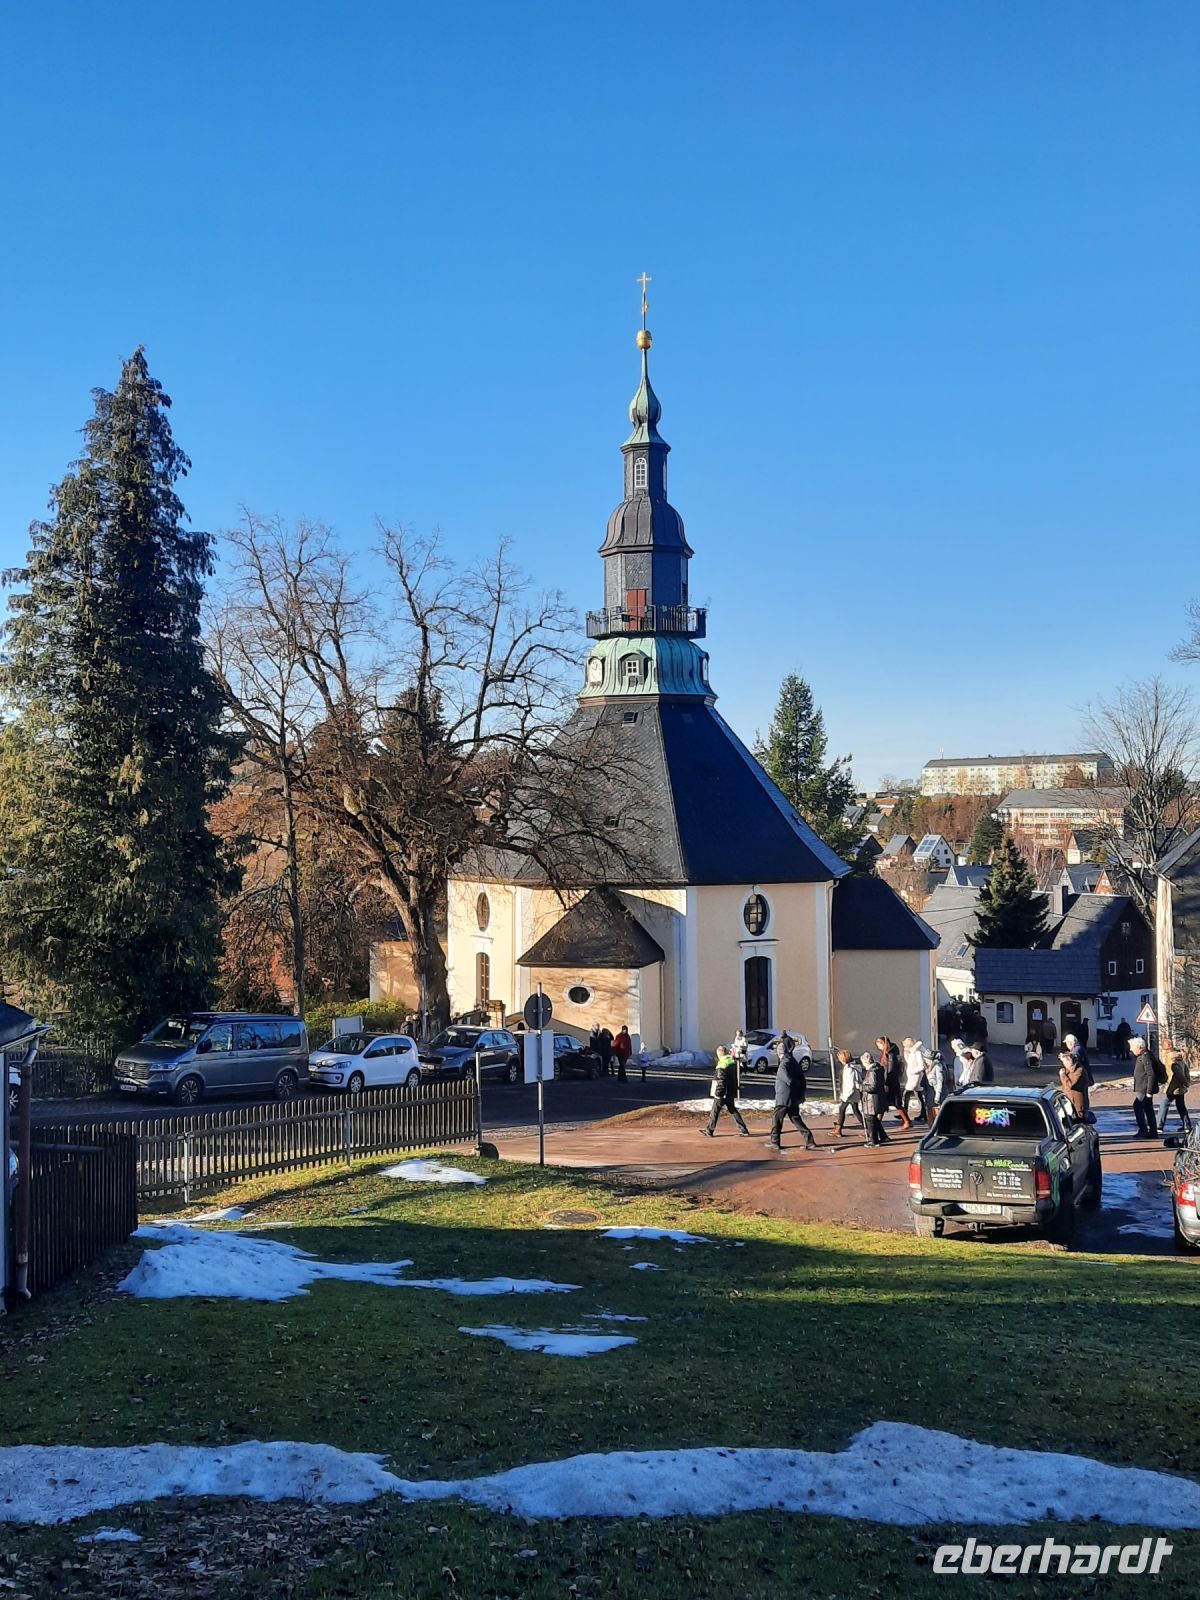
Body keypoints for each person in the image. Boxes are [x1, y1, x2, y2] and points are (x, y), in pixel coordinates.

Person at [770, 1044, 817, 1151]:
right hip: (793, 1097)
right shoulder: (793, 1061)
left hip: (783, 1098)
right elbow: (801, 1079)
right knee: (795, 1118)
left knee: (777, 1120)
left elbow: (789, 1080)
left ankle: (775, 1141)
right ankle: (810, 1141)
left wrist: (793, 1086)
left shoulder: (783, 1064)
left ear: (780, 1053)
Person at [703, 1043, 751, 1138]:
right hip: (731, 1091)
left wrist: (718, 1093)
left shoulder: (721, 1064)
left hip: (723, 1093)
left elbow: (721, 1081)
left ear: (719, 1054)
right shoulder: (732, 1062)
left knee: (715, 1111)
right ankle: (744, 1129)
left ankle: (709, 1130)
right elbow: (735, 1077)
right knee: (732, 1109)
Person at [1129, 1037, 1161, 1140]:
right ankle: (1152, 1131)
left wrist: (1149, 1091)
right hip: (1143, 1087)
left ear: (1139, 1047)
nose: (1131, 1050)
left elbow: (1151, 1074)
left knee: (1138, 1106)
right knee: (1148, 1108)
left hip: (1144, 1088)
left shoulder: (1145, 1056)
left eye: (1132, 1047)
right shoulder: (1144, 1055)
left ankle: (1143, 1130)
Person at [876, 1035, 909, 1130]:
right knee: (889, 1103)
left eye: (879, 1045)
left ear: (883, 1044)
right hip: (890, 1082)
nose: (878, 1047)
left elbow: (890, 1070)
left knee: (894, 1103)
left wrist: (884, 1081)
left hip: (891, 1083)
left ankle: (906, 1121)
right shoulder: (888, 1053)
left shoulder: (890, 1055)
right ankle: (877, 1124)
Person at [1159, 1043, 1193, 1133]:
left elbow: (1177, 1071)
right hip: (1180, 1086)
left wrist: (1185, 1082)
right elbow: (1185, 1070)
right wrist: (1186, 1082)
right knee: (1181, 1105)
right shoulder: (1178, 1056)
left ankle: (1159, 1126)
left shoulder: (1169, 1057)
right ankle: (1187, 1126)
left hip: (1172, 1086)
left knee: (1164, 1104)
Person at [860, 1050, 889, 1146]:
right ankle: (883, 1136)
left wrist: (860, 1087)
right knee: (874, 1119)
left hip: (871, 1100)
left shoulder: (872, 1072)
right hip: (876, 1099)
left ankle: (873, 1140)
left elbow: (872, 1086)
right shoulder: (878, 1068)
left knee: (870, 1119)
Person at [834, 1047, 866, 1135]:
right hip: (853, 1094)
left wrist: (845, 1096)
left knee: (842, 1109)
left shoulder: (849, 1069)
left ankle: (838, 1129)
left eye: (839, 1058)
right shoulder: (851, 1067)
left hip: (850, 1094)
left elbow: (850, 1084)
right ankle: (866, 1126)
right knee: (855, 1110)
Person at [901, 1038, 930, 1125]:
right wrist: (906, 1054)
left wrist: (913, 1071)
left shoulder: (917, 1053)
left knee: (907, 1093)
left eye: (905, 1046)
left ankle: (904, 1112)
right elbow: (909, 1062)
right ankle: (923, 1113)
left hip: (916, 1076)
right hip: (911, 1076)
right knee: (919, 1095)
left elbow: (922, 1066)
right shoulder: (911, 1053)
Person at [1058, 1049, 1089, 1119]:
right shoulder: (1069, 1069)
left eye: (1064, 1062)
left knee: (1078, 1124)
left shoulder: (1079, 1071)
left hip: (1077, 1106)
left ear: (1069, 1061)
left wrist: (1062, 1075)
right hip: (1070, 1104)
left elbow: (1070, 1085)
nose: (1064, 1064)